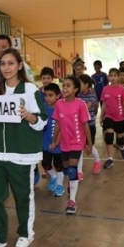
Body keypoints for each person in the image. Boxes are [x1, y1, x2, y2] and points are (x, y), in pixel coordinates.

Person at [0, 48, 47, 247]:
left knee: (22, 197)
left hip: (21, 153)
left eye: (11, 63)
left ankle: (26, 234)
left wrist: (29, 116)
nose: (6, 68)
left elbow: (43, 120)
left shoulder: (29, 89)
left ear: (20, 66)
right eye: (3, 64)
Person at [50, 76, 92, 215]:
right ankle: (71, 183)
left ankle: (72, 201)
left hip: (77, 141)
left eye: (68, 85)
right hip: (65, 142)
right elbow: (58, 124)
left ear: (75, 89)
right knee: (67, 170)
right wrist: (55, 140)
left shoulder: (80, 104)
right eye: (64, 85)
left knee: (73, 170)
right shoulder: (59, 104)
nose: (65, 88)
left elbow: (85, 124)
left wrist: (89, 143)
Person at [100, 68, 124, 169]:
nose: (113, 78)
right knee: (109, 137)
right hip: (109, 116)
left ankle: (122, 148)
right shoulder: (105, 89)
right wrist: (101, 116)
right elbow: (104, 104)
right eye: (111, 76)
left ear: (118, 77)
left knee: (120, 139)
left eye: (115, 76)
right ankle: (110, 159)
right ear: (108, 77)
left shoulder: (121, 89)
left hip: (120, 117)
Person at [41, 83, 65, 196]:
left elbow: (61, 127)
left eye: (50, 95)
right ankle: (53, 177)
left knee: (59, 166)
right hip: (45, 143)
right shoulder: (42, 107)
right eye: (46, 95)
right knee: (45, 163)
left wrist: (56, 142)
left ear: (58, 96)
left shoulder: (61, 108)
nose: (47, 98)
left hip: (59, 144)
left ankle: (60, 185)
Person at [77, 74, 102, 174]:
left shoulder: (91, 95)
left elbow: (86, 109)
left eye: (80, 84)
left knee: (90, 146)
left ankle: (97, 161)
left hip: (89, 125)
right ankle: (79, 171)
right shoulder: (77, 95)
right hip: (79, 125)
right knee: (79, 147)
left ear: (86, 85)